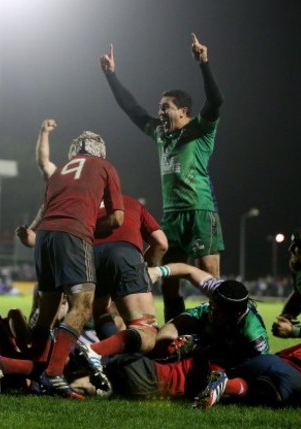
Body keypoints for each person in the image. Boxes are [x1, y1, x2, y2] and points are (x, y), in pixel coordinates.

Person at [100, 33, 225, 322]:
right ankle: (173, 338)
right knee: (169, 286)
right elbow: (132, 109)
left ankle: (217, 341)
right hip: (172, 217)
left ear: (183, 111)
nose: (159, 111)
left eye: (165, 106)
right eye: (159, 107)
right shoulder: (160, 133)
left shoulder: (200, 130)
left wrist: (204, 63)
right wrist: (111, 76)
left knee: (211, 283)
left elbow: (216, 100)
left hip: (200, 213)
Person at [23, 129, 124, 399]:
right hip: (73, 234)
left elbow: (45, 209)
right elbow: (117, 219)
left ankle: (32, 375)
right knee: (82, 305)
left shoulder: (60, 171)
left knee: (46, 312)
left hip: (45, 237)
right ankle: (54, 373)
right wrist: (90, 228)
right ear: (100, 151)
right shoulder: (104, 166)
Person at [150, 263, 269, 408]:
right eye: (211, 305)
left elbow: (260, 368)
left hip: (231, 350)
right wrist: (158, 271)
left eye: (218, 310)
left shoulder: (254, 334)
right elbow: (189, 270)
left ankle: (200, 348)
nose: (213, 312)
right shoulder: (219, 291)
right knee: (163, 341)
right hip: (202, 321)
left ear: (236, 314)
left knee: (243, 379)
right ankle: (175, 353)